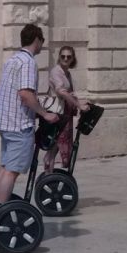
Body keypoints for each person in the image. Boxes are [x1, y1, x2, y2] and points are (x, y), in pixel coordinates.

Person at [0, 24, 60, 210]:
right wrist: (45, 114)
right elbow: (25, 95)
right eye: (42, 40)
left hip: (5, 123)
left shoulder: (12, 60)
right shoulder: (28, 62)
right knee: (12, 172)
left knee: (5, 167)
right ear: (36, 40)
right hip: (18, 124)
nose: (42, 44)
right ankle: (3, 213)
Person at [42, 46, 91, 174]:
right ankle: (48, 175)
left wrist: (79, 102)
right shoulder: (56, 72)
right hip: (56, 113)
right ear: (59, 57)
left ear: (72, 58)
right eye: (63, 56)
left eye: (69, 57)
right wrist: (79, 105)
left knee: (55, 146)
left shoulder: (67, 73)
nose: (65, 59)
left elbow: (70, 93)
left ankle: (49, 175)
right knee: (53, 145)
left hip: (64, 114)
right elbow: (61, 91)